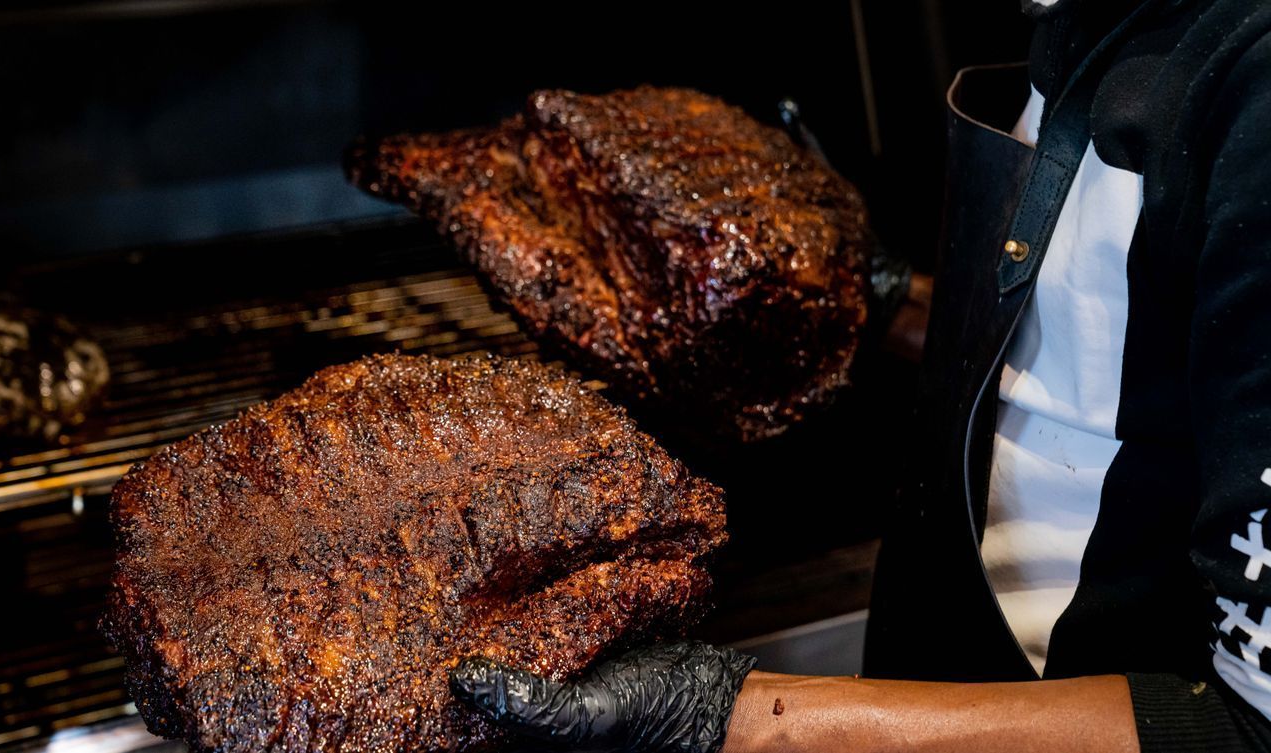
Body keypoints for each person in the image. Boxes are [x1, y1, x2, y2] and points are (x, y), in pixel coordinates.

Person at [444, 0, 1271, 750]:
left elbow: (1249, 725)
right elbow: (1109, 337)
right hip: (934, 659)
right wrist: (872, 299)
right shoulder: (1086, 19)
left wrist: (732, 719)